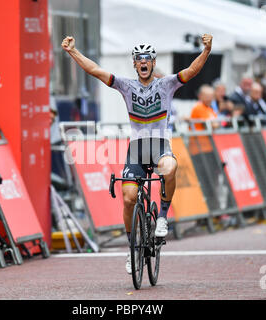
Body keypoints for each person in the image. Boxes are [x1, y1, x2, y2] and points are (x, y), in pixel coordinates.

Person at [62, 33, 213, 274]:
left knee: (169, 168)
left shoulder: (167, 84)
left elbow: (191, 71)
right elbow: (96, 71)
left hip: (160, 145)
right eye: (139, 59)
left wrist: (206, 50)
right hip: (137, 149)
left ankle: (162, 216)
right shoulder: (126, 85)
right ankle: (133, 247)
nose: (143, 62)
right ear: (135, 63)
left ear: (153, 63)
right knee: (129, 196)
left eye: (147, 59)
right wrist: (72, 51)